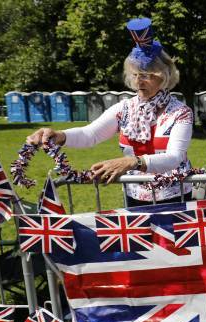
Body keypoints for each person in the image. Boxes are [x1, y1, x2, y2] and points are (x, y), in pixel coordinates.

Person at [26, 17, 194, 206]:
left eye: (146, 75)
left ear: (164, 76)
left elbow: (174, 158)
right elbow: (90, 134)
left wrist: (132, 162)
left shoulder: (180, 112)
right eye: (135, 75)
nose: (138, 81)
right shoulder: (125, 108)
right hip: (134, 196)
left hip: (175, 198)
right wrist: (58, 135)